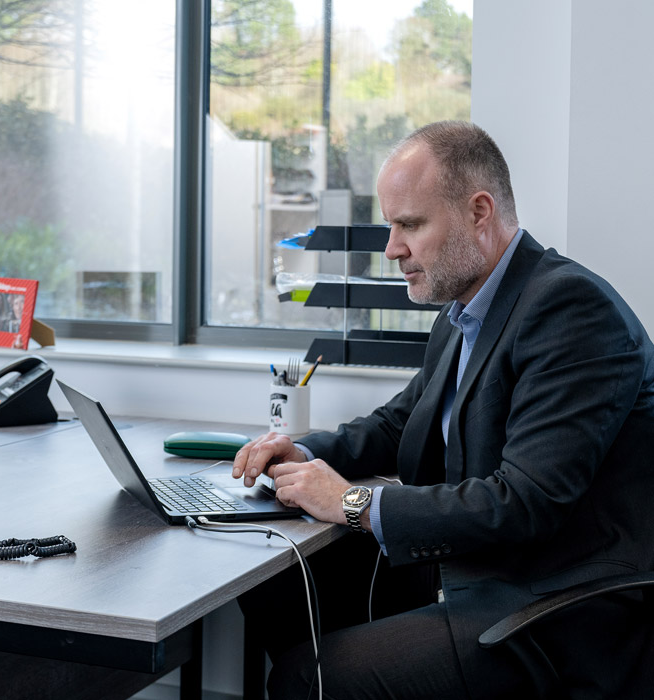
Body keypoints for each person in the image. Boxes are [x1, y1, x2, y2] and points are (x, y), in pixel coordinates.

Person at [232, 120, 654, 699]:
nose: (391, 249)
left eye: (410, 224)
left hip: (552, 610)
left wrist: (352, 502)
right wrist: (302, 452)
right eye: (390, 226)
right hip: (480, 574)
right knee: (276, 586)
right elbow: (402, 420)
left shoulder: (570, 310)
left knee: (311, 678)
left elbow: (523, 501)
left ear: (479, 212)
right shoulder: (466, 310)